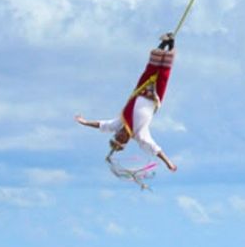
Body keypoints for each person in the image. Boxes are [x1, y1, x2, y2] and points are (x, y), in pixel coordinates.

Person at [75, 33, 178, 172]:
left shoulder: (118, 124)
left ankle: (163, 43)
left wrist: (85, 122)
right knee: (164, 74)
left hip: (140, 91)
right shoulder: (140, 135)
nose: (121, 135)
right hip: (155, 97)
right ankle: (171, 43)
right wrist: (168, 163)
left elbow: (101, 125)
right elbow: (156, 149)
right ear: (126, 141)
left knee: (150, 71)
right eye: (122, 139)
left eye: (118, 136)